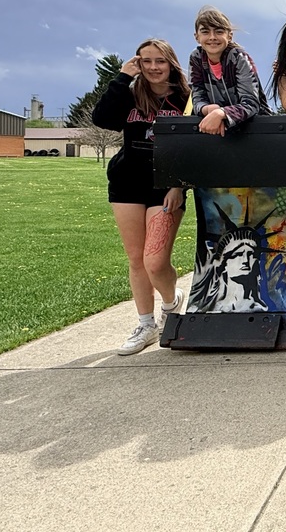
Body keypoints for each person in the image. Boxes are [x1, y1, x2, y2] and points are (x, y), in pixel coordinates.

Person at [91, 39, 190, 354]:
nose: (153, 67)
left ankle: (172, 303)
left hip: (165, 186)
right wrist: (122, 77)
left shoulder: (185, 98)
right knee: (136, 259)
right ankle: (146, 323)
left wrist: (179, 185)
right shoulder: (132, 93)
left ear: (170, 63)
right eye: (146, 61)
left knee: (155, 260)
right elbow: (102, 119)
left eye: (159, 61)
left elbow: (192, 147)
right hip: (127, 183)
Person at [189, 6, 271, 135]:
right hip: (217, 127)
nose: (212, 37)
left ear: (230, 36)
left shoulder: (239, 58)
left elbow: (251, 104)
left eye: (219, 32)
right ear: (196, 37)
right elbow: (197, 98)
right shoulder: (196, 58)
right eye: (205, 32)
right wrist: (208, 109)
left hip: (254, 128)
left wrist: (222, 113)